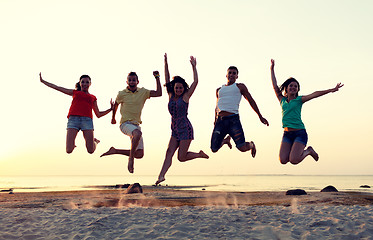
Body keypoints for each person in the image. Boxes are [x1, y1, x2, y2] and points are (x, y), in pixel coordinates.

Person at [270, 59, 344, 164]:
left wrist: (331, 90)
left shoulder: (299, 100)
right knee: (283, 160)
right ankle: (302, 151)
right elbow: (274, 86)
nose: (293, 87)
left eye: (295, 86)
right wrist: (272, 69)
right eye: (291, 85)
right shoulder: (282, 100)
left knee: (294, 160)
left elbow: (314, 94)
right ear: (286, 88)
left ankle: (308, 151)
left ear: (297, 89)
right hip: (287, 133)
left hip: (299, 133)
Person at [155, 54, 209, 185]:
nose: (178, 89)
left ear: (183, 88)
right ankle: (161, 176)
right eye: (176, 87)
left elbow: (195, 82)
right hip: (174, 129)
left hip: (185, 129)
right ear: (173, 88)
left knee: (181, 157)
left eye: (180, 88)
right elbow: (167, 78)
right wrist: (166, 63)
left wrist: (194, 67)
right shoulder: (170, 95)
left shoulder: (185, 96)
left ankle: (199, 154)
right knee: (169, 152)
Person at [100, 71, 162, 173]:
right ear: (127, 81)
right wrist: (113, 118)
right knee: (137, 134)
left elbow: (159, 93)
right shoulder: (121, 94)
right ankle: (131, 159)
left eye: (134, 80)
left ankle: (115, 150)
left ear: (137, 81)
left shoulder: (143, 92)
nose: (132, 82)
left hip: (136, 125)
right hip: (125, 124)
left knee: (140, 154)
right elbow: (115, 105)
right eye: (130, 80)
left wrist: (157, 77)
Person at [39, 73, 113, 154]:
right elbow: (58, 88)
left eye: (87, 82)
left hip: (87, 121)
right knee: (69, 150)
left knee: (90, 150)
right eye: (83, 82)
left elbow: (98, 114)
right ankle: (72, 144)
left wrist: (110, 109)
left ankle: (95, 141)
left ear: (90, 84)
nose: (85, 84)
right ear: (80, 83)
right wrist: (43, 81)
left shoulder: (93, 97)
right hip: (73, 120)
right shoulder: (75, 93)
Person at [210, 66, 269, 157]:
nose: (231, 75)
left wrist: (260, 116)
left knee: (242, 147)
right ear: (226, 75)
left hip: (233, 120)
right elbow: (217, 106)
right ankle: (226, 140)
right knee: (214, 148)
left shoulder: (240, 87)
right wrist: (215, 120)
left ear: (237, 76)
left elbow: (251, 101)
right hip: (220, 121)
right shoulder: (219, 90)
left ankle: (252, 145)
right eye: (230, 73)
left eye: (234, 73)